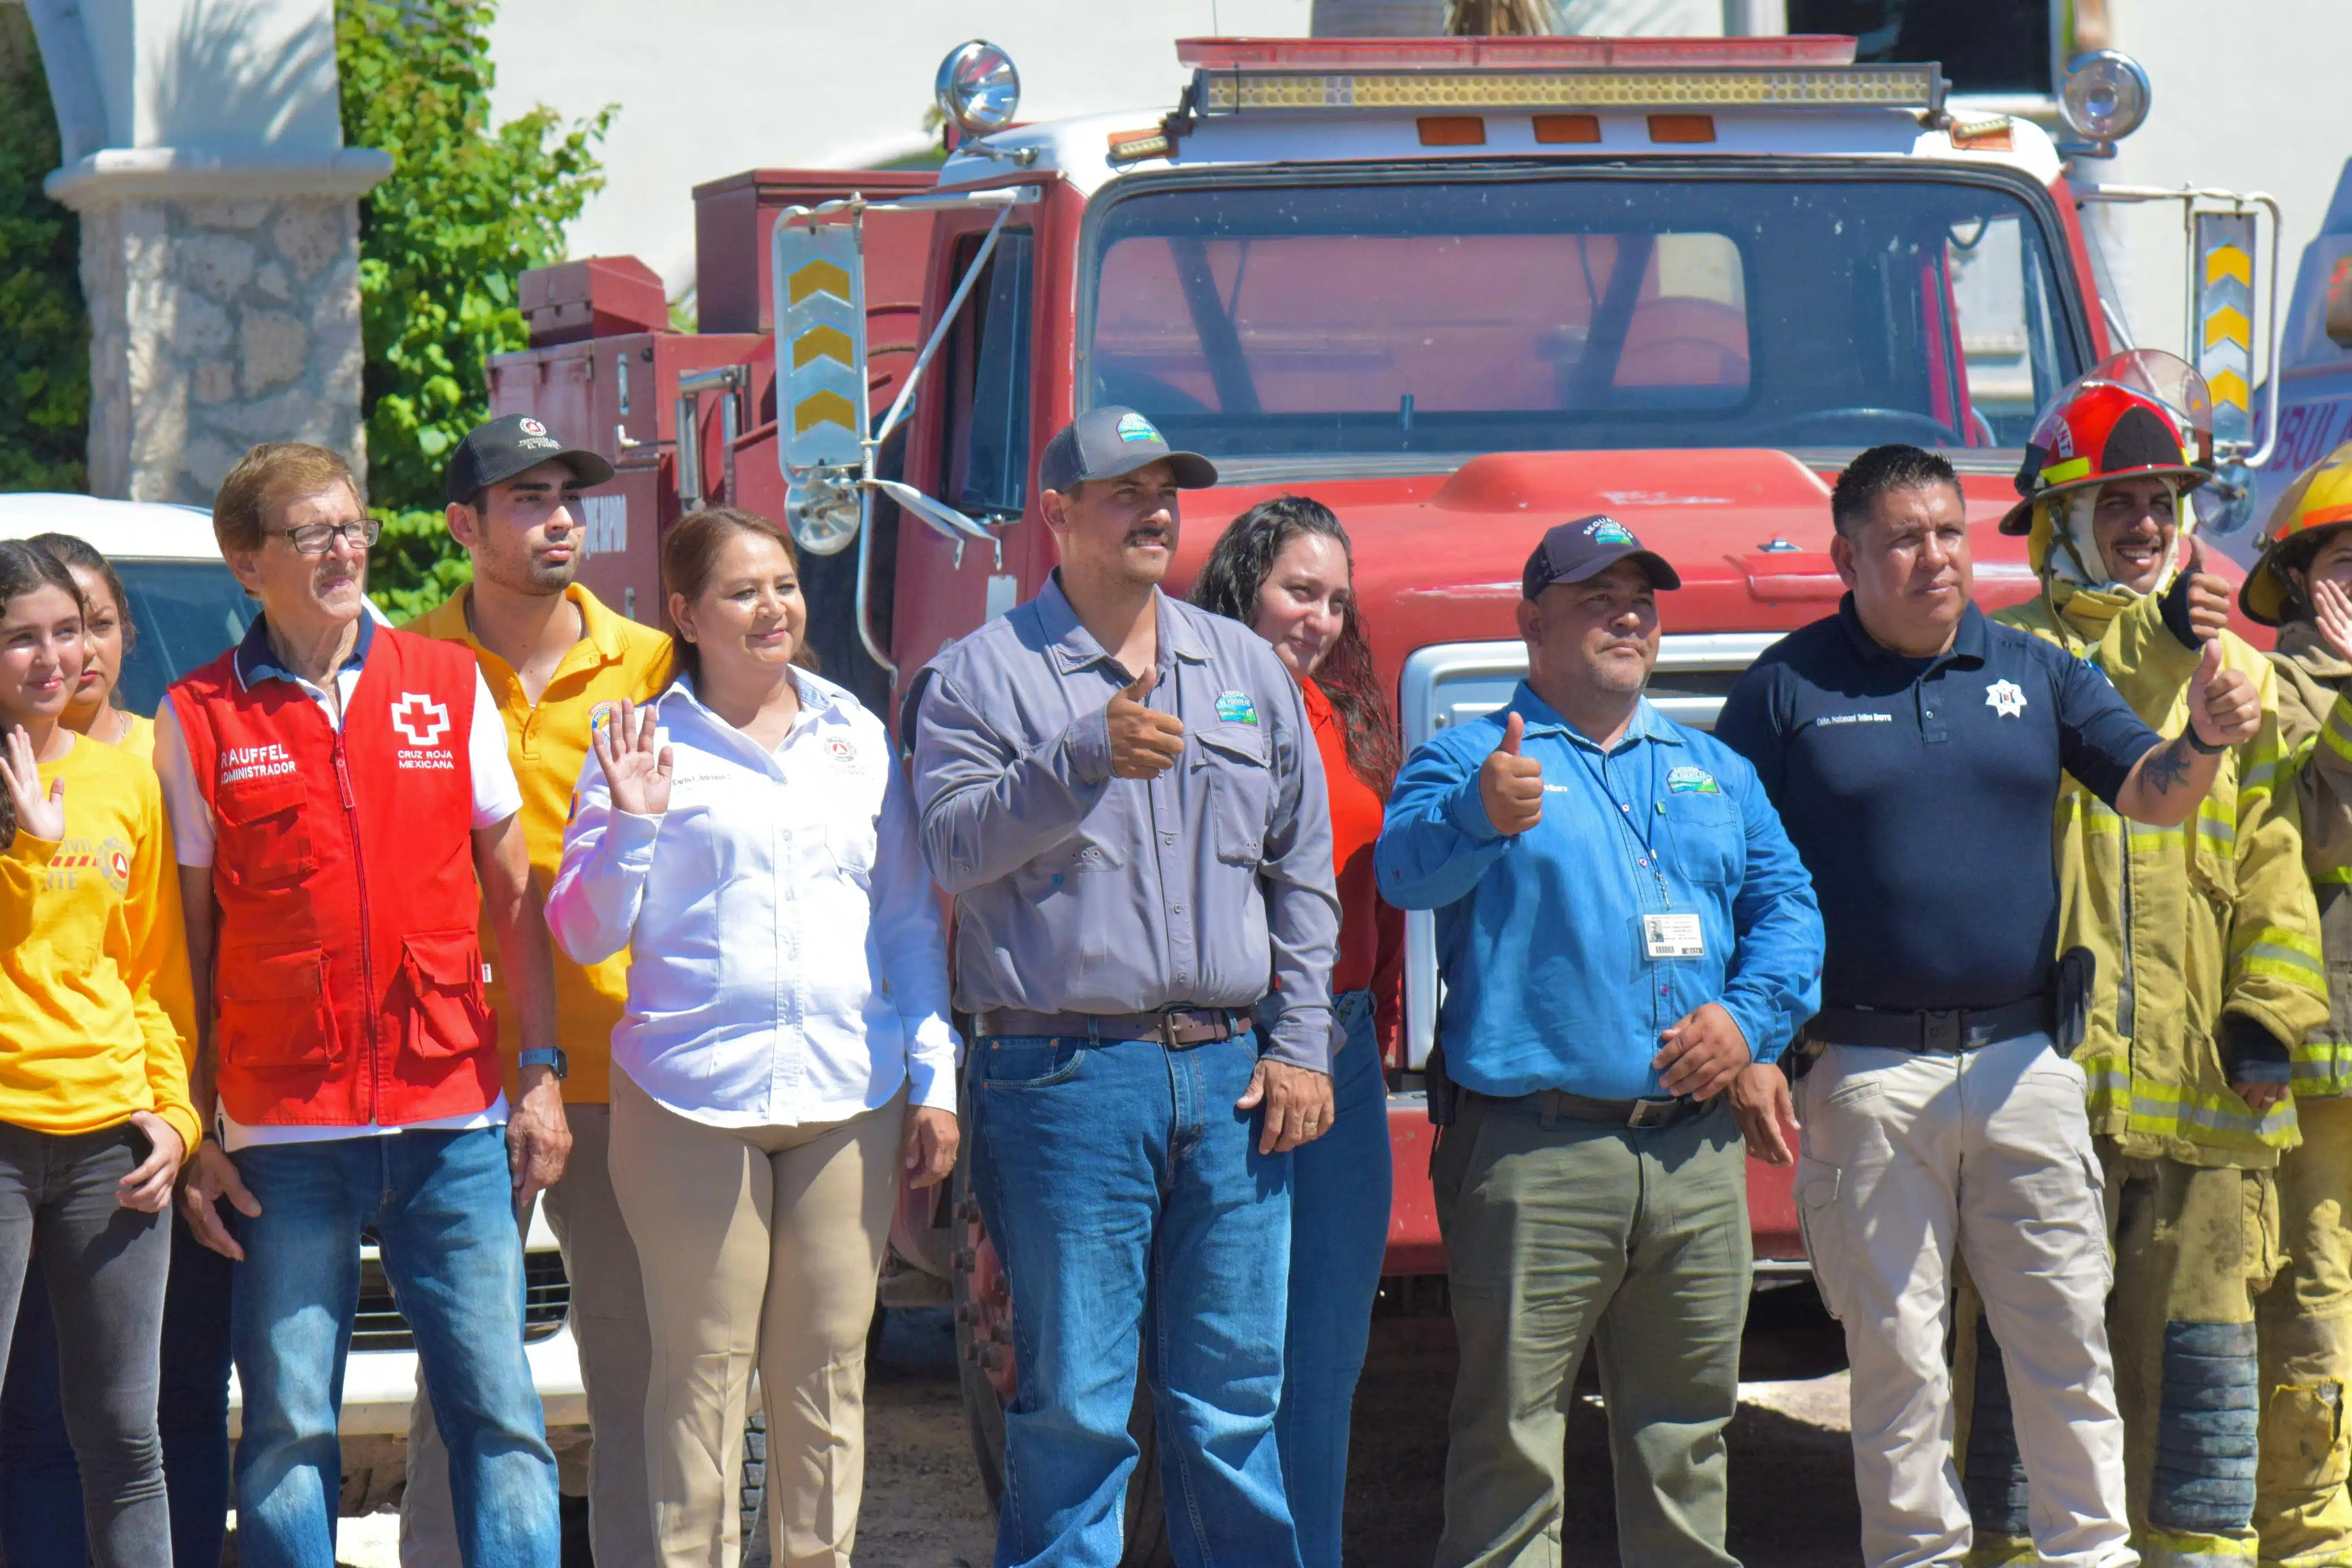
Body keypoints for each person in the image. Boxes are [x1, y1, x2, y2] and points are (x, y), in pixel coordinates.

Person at [1715, 443, 2263, 1568]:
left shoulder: (2037, 669)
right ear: (1847, 556)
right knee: (1898, 1359)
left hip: (2023, 1065)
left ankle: (2088, 1555)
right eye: (1904, 539)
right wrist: (1753, 1045)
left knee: (2064, 1344)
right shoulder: (1784, 688)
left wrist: (2202, 736)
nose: (1934, 559)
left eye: (1950, 533)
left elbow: (2152, 794)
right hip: (1864, 1074)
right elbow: (1722, 873)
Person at [910, 406, 1341, 1566]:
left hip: (1232, 1076)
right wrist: (1077, 758)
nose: (1155, 510)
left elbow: (1300, 872)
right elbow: (948, 848)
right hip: (1060, 1082)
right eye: (1122, 490)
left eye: (1167, 489)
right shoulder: (978, 678)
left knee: (1234, 1407)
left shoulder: (1243, 667)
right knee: (1079, 1411)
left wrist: (1301, 1042)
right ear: (1053, 514)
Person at [1377, 515, 1824, 1567]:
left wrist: (1745, 1020)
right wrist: (1481, 814)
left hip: (1695, 1152)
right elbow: (1404, 874)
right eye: (1596, 599)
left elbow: (1792, 909)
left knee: (1687, 1438)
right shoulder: (1467, 756)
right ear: (1532, 623)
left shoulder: (1714, 767)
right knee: (1512, 1443)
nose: (1628, 617)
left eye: (1642, 601)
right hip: (1537, 1152)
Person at [158, 440, 569, 1567]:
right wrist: (200, 1126)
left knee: (502, 1421)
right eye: (312, 533)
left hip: (452, 1120)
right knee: (289, 1431)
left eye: (353, 527)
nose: (343, 550)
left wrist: (541, 1073)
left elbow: (514, 893)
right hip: (283, 1133)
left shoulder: (446, 679)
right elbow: (190, 944)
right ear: (248, 561)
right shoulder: (197, 716)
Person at [1958, 359, 2328, 1567]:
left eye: (2161, 501)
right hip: (2039, 1102)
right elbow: (2093, 707)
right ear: (2058, 517)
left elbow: (2272, 859)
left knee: (2202, 1428)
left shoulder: (2236, 678)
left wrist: (2269, 1013)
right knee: (2021, 1411)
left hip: (2208, 1117)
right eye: (2114, 502)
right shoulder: (1994, 667)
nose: (2142, 524)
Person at [547, 506, 959, 1567]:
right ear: (685, 613)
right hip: (689, 1099)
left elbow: (907, 919)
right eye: (743, 590)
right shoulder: (637, 740)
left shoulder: (854, 732)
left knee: (826, 1378)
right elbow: (584, 928)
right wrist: (633, 823)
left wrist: (936, 1072)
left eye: (783, 584)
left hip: (847, 1091)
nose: (772, 606)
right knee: (702, 1374)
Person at [402, 414, 671, 1568]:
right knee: (458, 1384)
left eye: (566, 493)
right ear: (464, 525)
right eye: (525, 496)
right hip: (456, 1074)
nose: (559, 513)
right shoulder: (405, 666)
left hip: (627, 1065)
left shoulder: (661, 663)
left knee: (644, 1381)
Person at [0, 532, 237, 1568]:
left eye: (67, 631)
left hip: (110, 1137)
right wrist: (27, 844)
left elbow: (148, 974)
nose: (53, 657)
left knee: (126, 1439)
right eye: (21, 638)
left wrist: (176, 1114)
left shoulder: (123, 778)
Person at [1189, 495, 1404, 1568]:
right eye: (1296, 592)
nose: (1317, 618)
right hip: (1241, 1050)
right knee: (1236, 1362)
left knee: (1327, 1355)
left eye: (1334, 600)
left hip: (1349, 1051)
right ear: (1241, 586)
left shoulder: (1342, 712)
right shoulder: (1196, 701)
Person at [2239, 436, 2352, 1566]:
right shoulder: (2274, 693)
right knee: (2317, 1318)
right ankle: (2312, 1546)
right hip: (2326, 1083)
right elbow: (2315, 836)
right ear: (2306, 580)